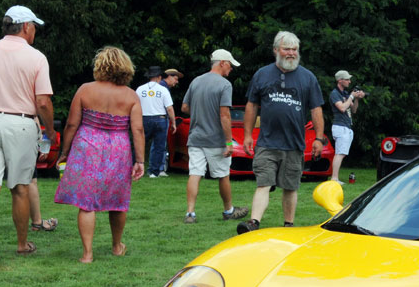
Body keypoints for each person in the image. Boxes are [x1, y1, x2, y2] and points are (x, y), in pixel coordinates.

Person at [54, 47, 145, 263]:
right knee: (118, 200)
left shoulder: (85, 90)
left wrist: (64, 152)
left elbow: (72, 124)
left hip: (87, 145)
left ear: (100, 65)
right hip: (118, 148)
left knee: (87, 202)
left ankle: (87, 254)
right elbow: (138, 130)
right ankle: (116, 246)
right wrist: (140, 160)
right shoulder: (131, 96)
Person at [236, 31, 326, 234]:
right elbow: (251, 105)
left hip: (294, 144)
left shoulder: (308, 78)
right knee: (263, 183)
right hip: (267, 142)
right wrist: (248, 135)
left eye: (295, 49)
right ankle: (253, 222)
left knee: (290, 186)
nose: (291, 53)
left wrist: (319, 138)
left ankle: (288, 225)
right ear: (276, 50)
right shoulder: (262, 74)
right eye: (287, 49)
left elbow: (316, 109)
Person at [0, 5, 55, 256]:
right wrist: (50, 131)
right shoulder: (36, 57)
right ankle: (22, 245)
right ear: (26, 27)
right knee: (20, 187)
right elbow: (42, 101)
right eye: (34, 27)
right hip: (20, 124)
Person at [180, 49, 249, 224]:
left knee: (195, 174)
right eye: (230, 65)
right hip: (215, 139)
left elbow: (185, 108)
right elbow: (224, 115)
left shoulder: (196, 81)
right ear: (222, 63)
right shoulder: (224, 85)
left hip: (195, 137)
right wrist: (228, 142)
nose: (231, 69)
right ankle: (228, 211)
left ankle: (190, 213)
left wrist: (200, 112)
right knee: (223, 175)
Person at [136, 65, 178, 177]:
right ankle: (154, 172)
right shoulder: (163, 90)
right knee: (159, 146)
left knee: (140, 143)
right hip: (160, 119)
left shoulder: (140, 89)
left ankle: (135, 166)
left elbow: (136, 106)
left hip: (144, 118)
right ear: (159, 77)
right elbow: (169, 108)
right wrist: (173, 123)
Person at [329, 70, 364, 182]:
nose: (349, 81)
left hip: (346, 127)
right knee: (340, 153)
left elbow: (353, 110)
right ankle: (334, 178)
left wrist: (357, 98)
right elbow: (342, 108)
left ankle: (335, 177)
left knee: (341, 153)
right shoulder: (335, 94)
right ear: (340, 81)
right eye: (347, 79)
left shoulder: (344, 94)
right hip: (340, 127)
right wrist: (352, 97)